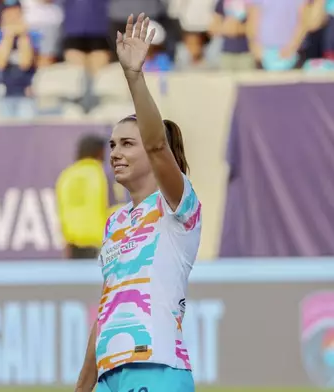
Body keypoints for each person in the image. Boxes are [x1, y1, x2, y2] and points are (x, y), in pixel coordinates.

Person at [75, 13, 201, 392]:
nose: (114, 152)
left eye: (127, 143)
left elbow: (157, 143)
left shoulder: (177, 205)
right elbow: (106, 307)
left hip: (156, 366)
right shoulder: (115, 221)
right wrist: (84, 385)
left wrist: (133, 76)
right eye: (112, 144)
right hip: (109, 376)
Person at [56, 134, 112, 260]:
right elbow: (114, 208)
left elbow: (62, 212)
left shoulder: (66, 176)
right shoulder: (102, 174)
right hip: (99, 244)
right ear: (100, 152)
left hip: (72, 246)